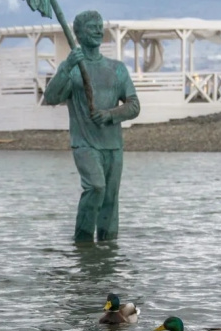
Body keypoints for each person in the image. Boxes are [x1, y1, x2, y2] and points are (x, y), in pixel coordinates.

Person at [43, 10, 140, 243]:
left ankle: (107, 249)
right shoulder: (73, 68)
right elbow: (51, 97)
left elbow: (134, 105)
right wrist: (66, 67)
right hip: (85, 143)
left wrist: (109, 115)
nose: (98, 31)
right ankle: (83, 244)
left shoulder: (117, 69)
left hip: (113, 145)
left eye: (100, 26)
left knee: (110, 199)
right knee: (96, 187)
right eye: (92, 27)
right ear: (77, 33)